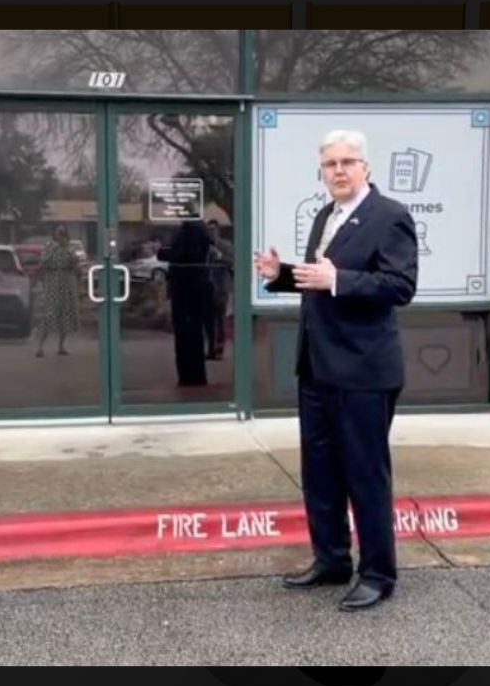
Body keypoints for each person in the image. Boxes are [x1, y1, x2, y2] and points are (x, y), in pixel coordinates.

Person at [253, 129, 418, 611]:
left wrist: (338, 279)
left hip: (365, 371)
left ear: (366, 167)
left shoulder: (390, 216)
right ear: (321, 171)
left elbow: (400, 285)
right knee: (320, 471)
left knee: (365, 474)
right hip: (318, 367)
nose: (339, 170)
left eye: (348, 162)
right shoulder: (327, 214)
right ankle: (331, 560)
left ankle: (377, 574)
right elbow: (320, 282)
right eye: (331, 164)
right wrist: (281, 275)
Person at [158, 219, 213, 386]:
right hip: (200, 288)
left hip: (182, 290)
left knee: (183, 336)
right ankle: (198, 376)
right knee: (197, 334)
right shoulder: (203, 235)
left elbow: (168, 255)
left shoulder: (182, 237)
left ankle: (186, 376)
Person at [34, 225, 81, 358]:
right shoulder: (49, 247)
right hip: (53, 281)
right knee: (49, 314)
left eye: (63, 233)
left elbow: (76, 266)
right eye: (58, 233)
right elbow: (43, 262)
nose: (60, 236)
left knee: (65, 314)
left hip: (67, 282)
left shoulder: (70, 248)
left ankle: (61, 346)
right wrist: (56, 248)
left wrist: (69, 252)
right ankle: (40, 346)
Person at [203, 219, 233, 360]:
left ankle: (219, 350)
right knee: (209, 321)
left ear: (218, 231)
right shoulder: (204, 246)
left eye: (213, 230)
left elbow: (232, 263)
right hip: (208, 288)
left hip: (221, 288)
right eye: (209, 230)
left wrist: (220, 256)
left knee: (220, 321)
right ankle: (210, 349)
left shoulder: (225, 246)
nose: (211, 233)